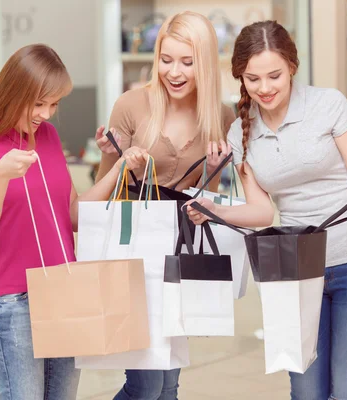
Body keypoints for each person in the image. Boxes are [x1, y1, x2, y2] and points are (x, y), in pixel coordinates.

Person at [187, 21, 347, 400]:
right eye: (253, 79)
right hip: (296, 272)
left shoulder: (328, 104)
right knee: (307, 393)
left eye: (274, 76)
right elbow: (262, 213)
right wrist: (213, 209)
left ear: (292, 67)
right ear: (240, 78)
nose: (264, 88)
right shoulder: (241, 132)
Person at [0, 44, 146, 400]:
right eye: (39, 102)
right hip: (13, 301)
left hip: (63, 289)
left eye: (54, 103)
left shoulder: (49, 137)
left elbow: (71, 214)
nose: (46, 113)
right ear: (14, 92)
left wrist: (117, 170)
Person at [95, 11, 236, 400]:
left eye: (187, 62)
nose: (174, 72)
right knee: (147, 384)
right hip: (135, 252)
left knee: (169, 383)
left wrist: (215, 168)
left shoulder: (220, 117)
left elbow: (215, 196)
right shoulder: (131, 104)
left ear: (205, 64)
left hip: (179, 252)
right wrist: (112, 156)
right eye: (166, 59)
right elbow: (106, 188)